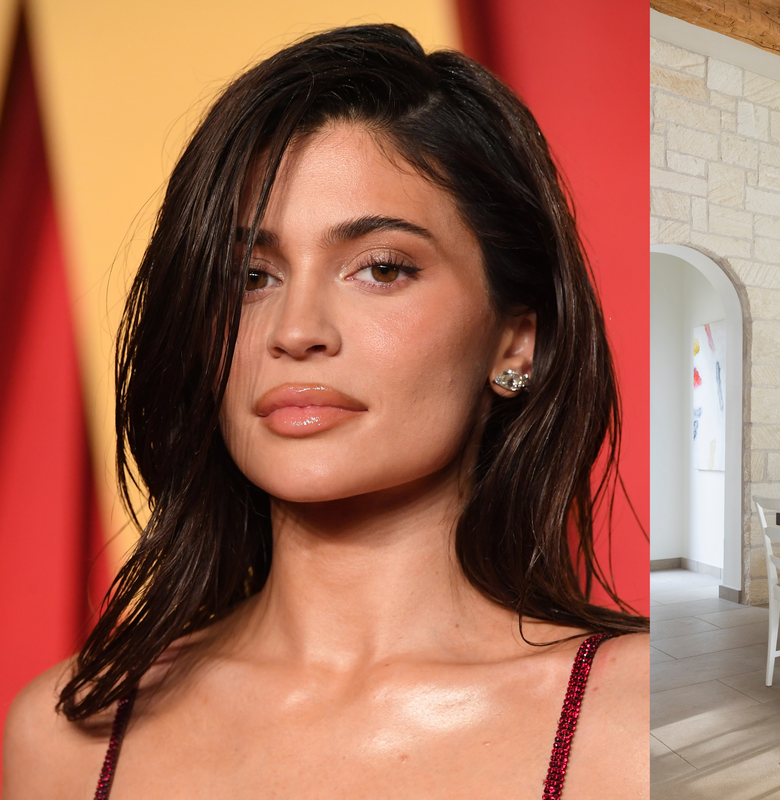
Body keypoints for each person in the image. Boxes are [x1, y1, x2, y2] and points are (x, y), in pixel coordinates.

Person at [1, 24, 648, 798]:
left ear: (516, 342)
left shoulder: (632, 724)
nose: (297, 330)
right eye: (250, 276)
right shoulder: (67, 735)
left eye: (380, 268)